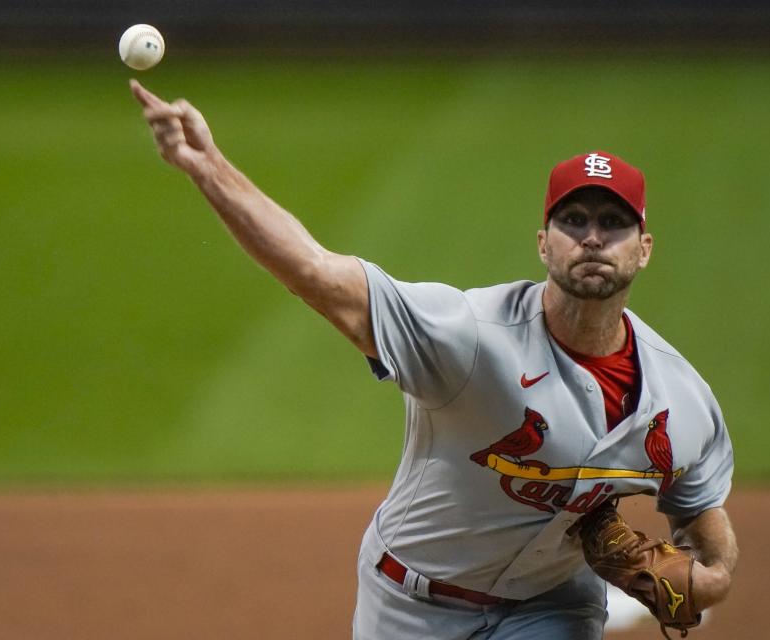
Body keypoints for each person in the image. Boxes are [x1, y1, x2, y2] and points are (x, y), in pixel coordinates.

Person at [130, 79, 738, 639]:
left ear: (644, 248)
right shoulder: (469, 336)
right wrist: (206, 165)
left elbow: (705, 528)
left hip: (553, 604)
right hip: (409, 603)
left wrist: (712, 578)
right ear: (543, 243)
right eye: (573, 219)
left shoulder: (680, 399)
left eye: (614, 223)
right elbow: (313, 270)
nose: (593, 237)